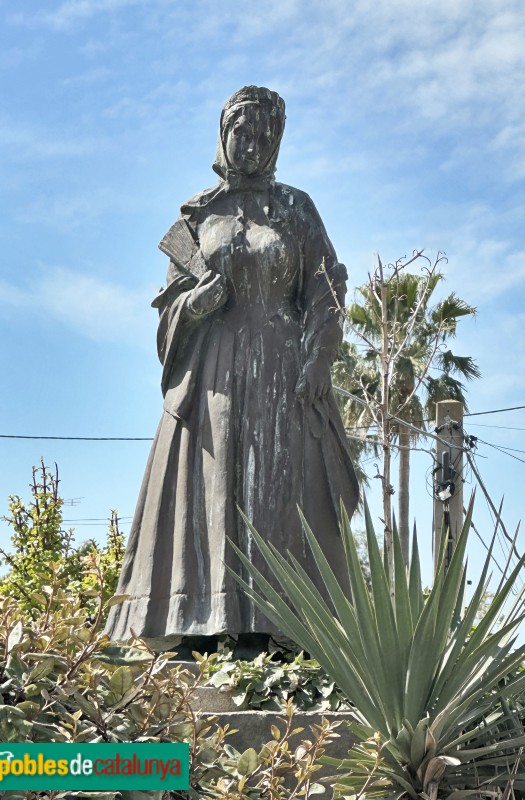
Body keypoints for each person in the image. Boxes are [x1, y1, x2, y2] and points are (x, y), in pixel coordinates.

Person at [104, 86, 359, 655]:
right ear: (223, 135)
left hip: (282, 372)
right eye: (241, 132)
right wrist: (195, 305)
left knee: (277, 488)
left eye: (264, 135)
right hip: (213, 374)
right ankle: (203, 617)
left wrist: (318, 358)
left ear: (276, 142)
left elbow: (326, 289)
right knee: (212, 486)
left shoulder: (297, 210)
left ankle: (275, 627)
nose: (251, 144)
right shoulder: (198, 215)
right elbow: (168, 304)